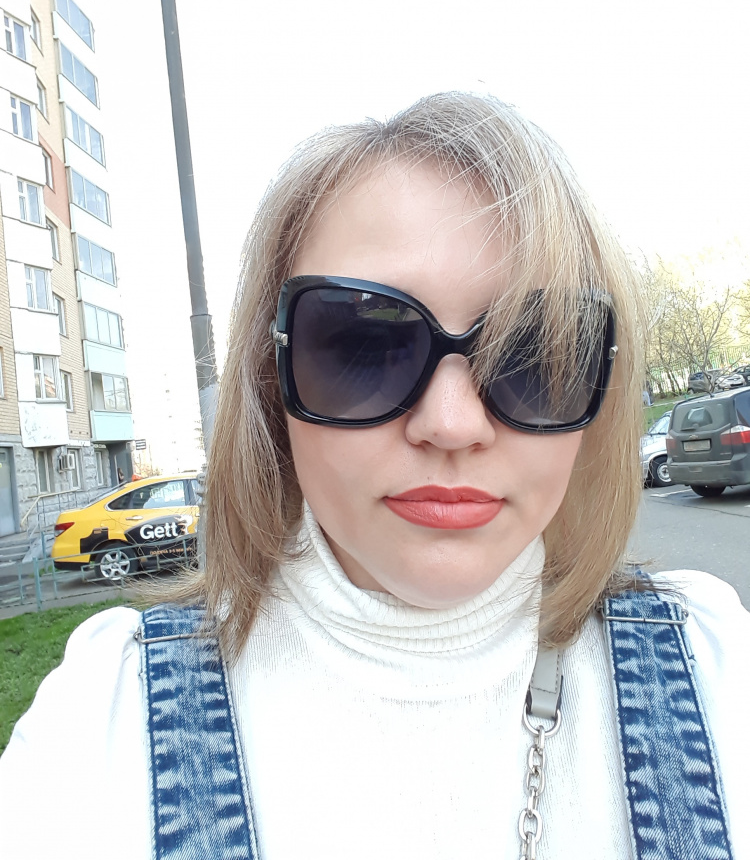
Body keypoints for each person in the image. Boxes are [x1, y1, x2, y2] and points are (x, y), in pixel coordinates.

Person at [1, 93, 748, 859]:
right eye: (363, 344)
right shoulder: (104, 726)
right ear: (270, 377)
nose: (452, 424)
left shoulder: (714, 667)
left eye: (530, 352)